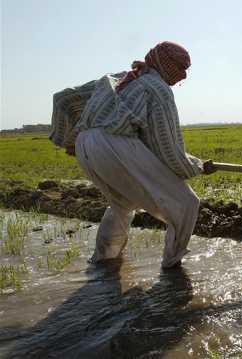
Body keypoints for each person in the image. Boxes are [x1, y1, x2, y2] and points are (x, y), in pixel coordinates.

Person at [50, 41, 215, 268]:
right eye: (180, 68)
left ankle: (104, 260)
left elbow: (63, 98)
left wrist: (71, 140)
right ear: (164, 64)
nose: (183, 76)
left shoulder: (118, 78)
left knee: (122, 203)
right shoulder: (157, 88)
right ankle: (172, 265)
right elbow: (166, 147)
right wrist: (196, 167)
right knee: (186, 202)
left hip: (86, 144)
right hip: (113, 144)